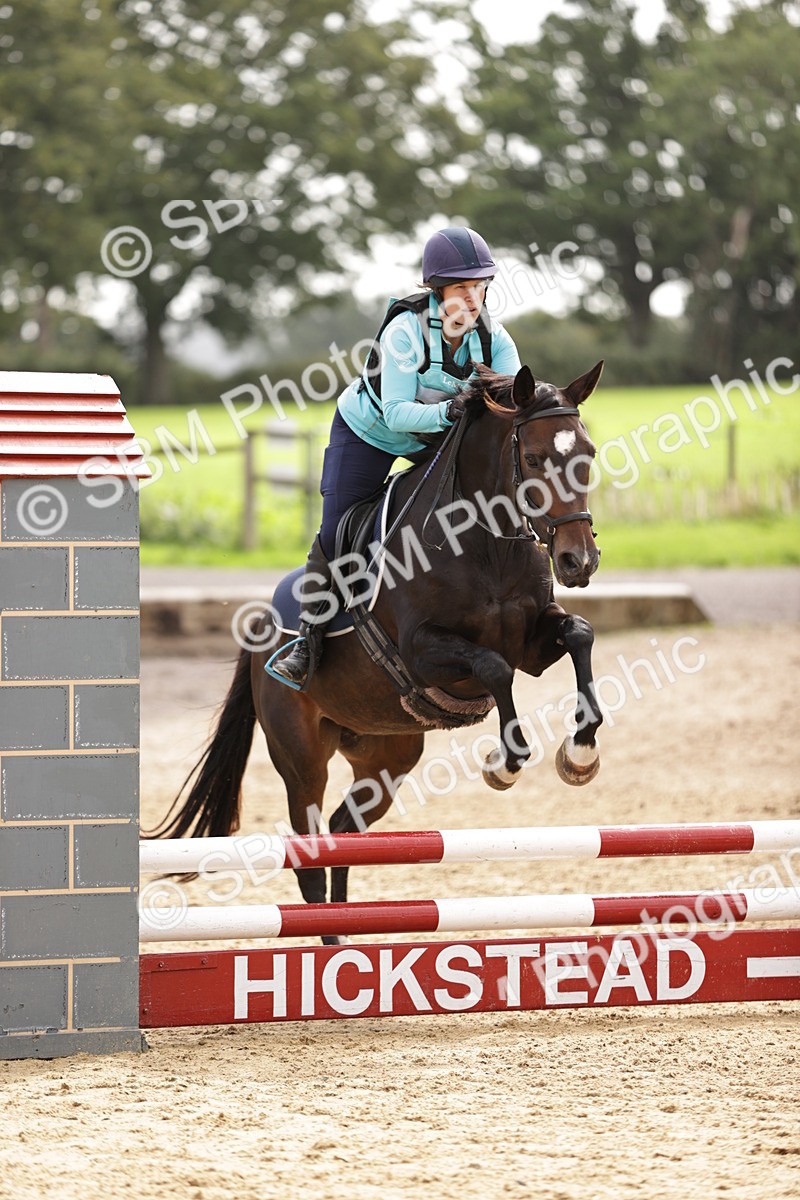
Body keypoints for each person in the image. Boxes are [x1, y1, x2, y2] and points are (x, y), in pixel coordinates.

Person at [271, 225, 522, 686]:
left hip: (434, 437)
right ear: (437, 289)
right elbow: (397, 413)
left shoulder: (496, 340)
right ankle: (307, 640)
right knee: (338, 527)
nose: (473, 298)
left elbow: (511, 408)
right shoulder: (405, 332)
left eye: (480, 285)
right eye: (461, 288)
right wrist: (450, 411)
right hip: (370, 433)